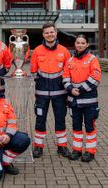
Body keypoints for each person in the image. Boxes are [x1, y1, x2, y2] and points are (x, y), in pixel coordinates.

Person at [30, 23, 71, 158]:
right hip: (41, 94)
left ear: (56, 32)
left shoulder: (64, 51)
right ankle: (38, 147)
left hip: (60, 94)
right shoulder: (37, 51)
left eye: (51, 32)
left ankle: (62, 146)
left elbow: (67, 72)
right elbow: (33, 71)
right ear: (43, 34)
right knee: (40, 119)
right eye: (47, 33)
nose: (49, 35)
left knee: (60, 119)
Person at [62, 34, 101, 162]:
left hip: (89, 101)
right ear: (75, 44)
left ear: (87, 44)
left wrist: (79, 89)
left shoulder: (92, 59)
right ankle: (77, 150)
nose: (80, 45)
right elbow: (65, 77)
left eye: (82, 43)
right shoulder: (70, 60)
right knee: (76, 126)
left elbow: (95, 78)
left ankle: (90, 152)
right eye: (78, 42)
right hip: (74, 101)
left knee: (90, 127)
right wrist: (70, 89)